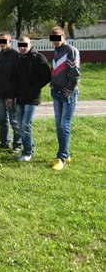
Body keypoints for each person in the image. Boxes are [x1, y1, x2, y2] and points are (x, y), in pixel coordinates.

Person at [14, 36, 51, 162]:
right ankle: (28, 148)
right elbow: (15, 79)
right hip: (20, 97)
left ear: (30, 44)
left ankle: (28, 152)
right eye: (20, 45)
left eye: (25, 44)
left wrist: (34, 88)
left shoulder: (39, 58)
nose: (22, 47)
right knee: (20, 126)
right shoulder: (18, 59)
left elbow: (47, 76)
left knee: (26, 125)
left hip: (32, 98)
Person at [49, 27, 81, 171]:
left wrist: (68, 90)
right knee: (58, 125)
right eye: (53, 38)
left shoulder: (71, 51)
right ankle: (66, 153)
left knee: (64, 125)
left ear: (64, 36)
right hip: (56, 92)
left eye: (58, 37)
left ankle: (61, 157)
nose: (56, 41)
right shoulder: (56, 51)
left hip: (67, 94)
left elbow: (75, 74)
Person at [0, 32, 21, 150]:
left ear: (10, 41)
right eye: (0, 41)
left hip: (11, 95)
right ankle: (5, 142)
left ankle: (17, 144)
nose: (2, 43)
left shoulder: (16, 56)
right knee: (2, 120)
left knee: (14, 121)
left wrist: (12, 95)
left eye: (4, 41)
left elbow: (17, 77)